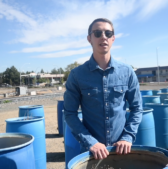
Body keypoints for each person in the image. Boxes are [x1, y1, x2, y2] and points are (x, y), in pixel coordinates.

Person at [63, 18, 142, 160]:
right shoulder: (76, 75)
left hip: (121, 151)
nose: (103, 37)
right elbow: (69, 113)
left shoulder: (127, 72)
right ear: (89, 39)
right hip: (91, 153)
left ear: (113, 39)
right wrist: (90, 142)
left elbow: (137, 108)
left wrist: (127, 137)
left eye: (108, 33)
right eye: (98, 33)